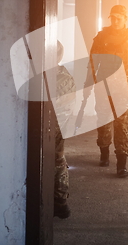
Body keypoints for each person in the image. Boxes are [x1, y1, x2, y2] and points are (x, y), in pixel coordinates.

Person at [84, 5, 128, 178]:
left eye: (119, 18)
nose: (115, 21)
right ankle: (104, 153)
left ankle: (121, 163)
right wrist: (89, 84)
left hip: (124, 88)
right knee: (103, 121)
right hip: (103, 86)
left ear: (126, 19)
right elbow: (92, 61)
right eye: (113, 18)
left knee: (122, 124)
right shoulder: (101, 37)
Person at [53, 40, 76, 219]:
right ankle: (61, 202)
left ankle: (59, 202)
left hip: (53, 126)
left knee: (55, 159)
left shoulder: (51, 77)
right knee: (59, 159)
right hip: (62, 126)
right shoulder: (65, 74)